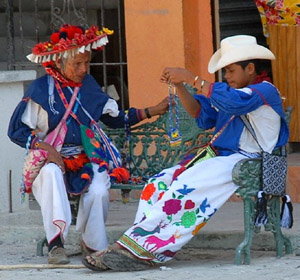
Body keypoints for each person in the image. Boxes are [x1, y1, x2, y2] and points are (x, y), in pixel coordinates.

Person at [82, 34, 289, 271]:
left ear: (250, 68)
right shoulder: (229, 93)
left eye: (230, 71)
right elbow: (201, 114)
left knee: (186, 186)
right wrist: (180, 85)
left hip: (251, 162)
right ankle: (143, 247)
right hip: (224, 159)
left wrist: (191, 77)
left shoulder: (265, 91)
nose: (227, 77)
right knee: (158, 183)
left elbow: (235, 102)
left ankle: (136, 248)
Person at [7, 24, 169, 265]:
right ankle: (56, 245)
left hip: (86, 158)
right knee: (51, 174)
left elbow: (115, 119)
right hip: (49, 161)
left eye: (87, 63)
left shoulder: (89, 85)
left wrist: (151, 111)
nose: (83, 69)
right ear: (59, 62)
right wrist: (45, 149)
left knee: (99, 189)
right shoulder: (41, 90)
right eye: (77, 64)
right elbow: (16, 131)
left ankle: (93, 245)